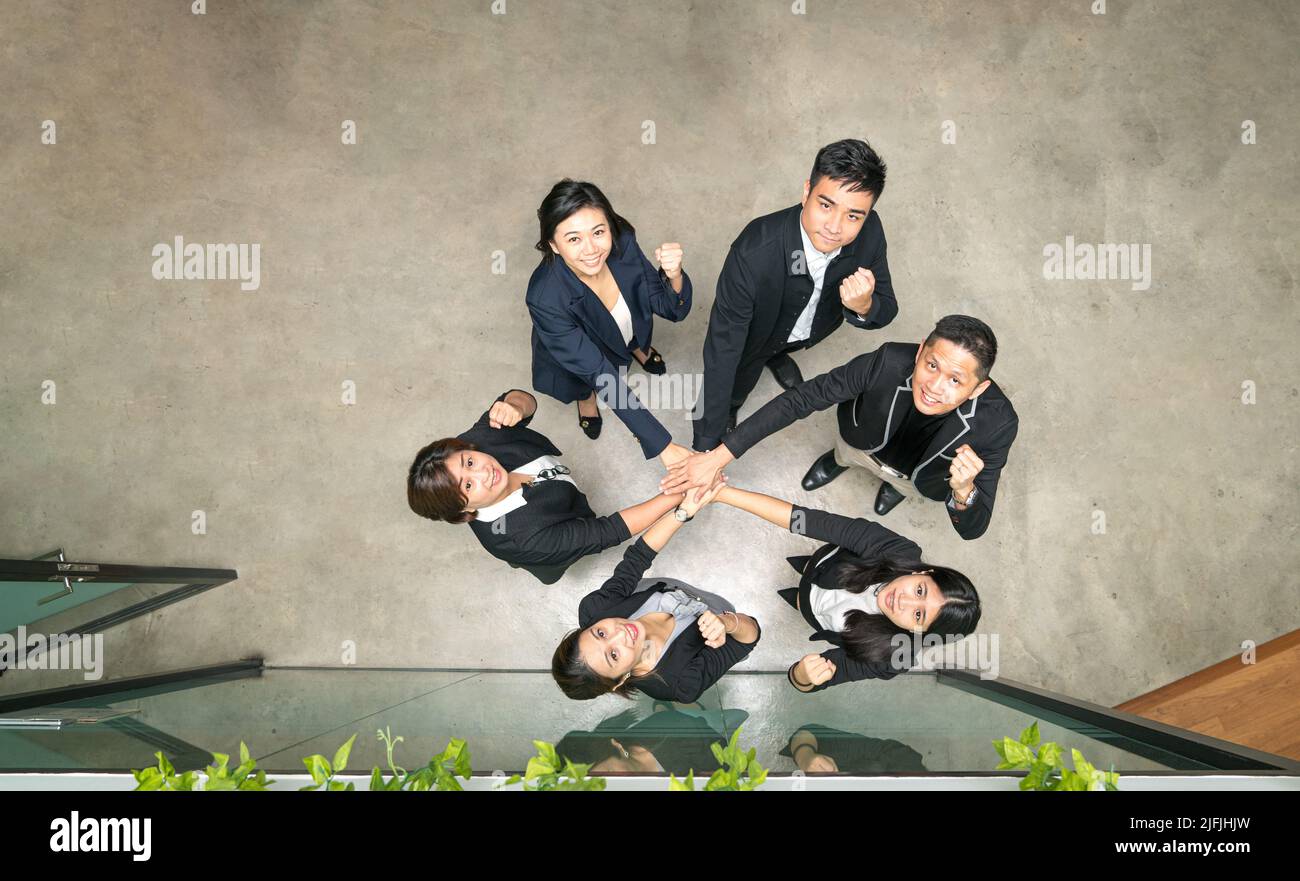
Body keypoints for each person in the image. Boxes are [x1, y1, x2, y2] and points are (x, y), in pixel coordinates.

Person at [665, 315, 1018, 541]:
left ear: (979, 388)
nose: (934, 386)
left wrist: (964, 491)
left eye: (955, 380)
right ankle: (836, 462)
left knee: (904, 484)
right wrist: (719, 456)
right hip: (860, 443)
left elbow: (973, 528)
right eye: (932, 365)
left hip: (914, 477)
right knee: (844, 455)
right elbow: (803, 398)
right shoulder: (889, 360)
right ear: (920, 351)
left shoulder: (999, 424)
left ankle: (893, 488)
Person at [692, 138, 898, 453]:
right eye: (826, 205)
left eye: (853, 216)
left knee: (789, 341)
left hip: (810, 330)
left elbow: (888, 308)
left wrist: (865, 306)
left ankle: (779, 354)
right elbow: (722, 352)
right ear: (806, 192)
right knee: (739, 379)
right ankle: (735, 402)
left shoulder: (870, 232)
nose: (835, 227)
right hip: (754, 338)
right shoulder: (753, 252)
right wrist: (706, 443)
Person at [711, 483, 981, 692]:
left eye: (919, 615)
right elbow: (805, 520)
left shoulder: (895, 656)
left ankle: (801, 601)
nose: (903, 601)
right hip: (824, 567)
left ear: (919, 633)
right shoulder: (899, 551)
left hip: (818, 615)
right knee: (809, 572)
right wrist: (721, 493)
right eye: (920, 591)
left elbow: (813, 681)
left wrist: (803, 676)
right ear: (925, 572)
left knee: (802, 604)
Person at [407, 389, 685, 584]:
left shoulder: (477, 440)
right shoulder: (522, 540)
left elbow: (522, 399)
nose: (483, 472)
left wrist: (515, 406)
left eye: (469, 462)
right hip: (542, 548)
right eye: (468, 485)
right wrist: (677, 494)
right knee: (553, 563)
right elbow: (606, 531)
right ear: (463, 511)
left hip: (554, 494)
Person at [527, 178, 693, 466]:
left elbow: (669, 307)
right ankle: (586, 400)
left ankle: (636, 347)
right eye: (574, 239)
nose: (591, 249)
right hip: (579, 354)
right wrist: (663, 446)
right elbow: (599, 372)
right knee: (584, 381)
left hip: (623, 325)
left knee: (631, 332)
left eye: (598, 232)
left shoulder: (623, 241)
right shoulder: (545, 298)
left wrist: (674, 275)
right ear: (554, 245)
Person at [552, 481, 761, 703]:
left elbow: (637, 558)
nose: (621, 633)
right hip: (719, 612)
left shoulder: (595, 610)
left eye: (600, 633)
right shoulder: (681, 684)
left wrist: (685, 510)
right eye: (613, 655)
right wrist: (726, 623)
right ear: (620, 680)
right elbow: (749, 638)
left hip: (668, 587)